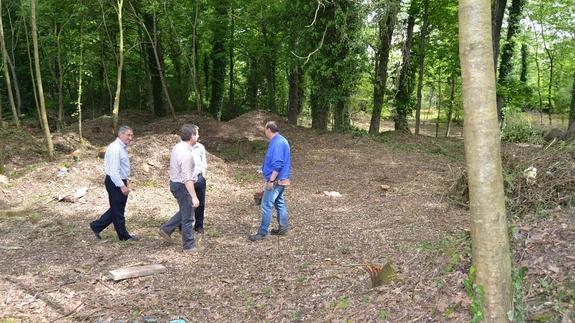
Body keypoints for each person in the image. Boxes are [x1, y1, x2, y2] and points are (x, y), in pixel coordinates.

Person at [90, 126, 138, 241]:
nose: (131, 138)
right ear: (121, 134)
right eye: (128, 135)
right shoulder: (115, 149)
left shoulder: (121, 147)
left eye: (132, 135)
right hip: (115, 181)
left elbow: (122, 169)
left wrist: (126, 182)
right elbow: (113, 171)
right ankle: (124, 237)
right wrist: (122, 185)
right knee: (118, 211)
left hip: (120, 180)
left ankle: (96, 226)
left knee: (117, 208)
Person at [158, 124, 200, 252]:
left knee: (184, 210)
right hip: (182, 185)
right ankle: (189, 245)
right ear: (192, 136)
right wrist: (194, 197)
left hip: (176, 183)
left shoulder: (178, 146)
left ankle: (166, 229)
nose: (199, 136)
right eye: (197, 133)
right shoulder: (186, 153)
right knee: (188, 215)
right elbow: (187, 179)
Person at [249, 121, 291, 241]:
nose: (264, 131)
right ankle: (283, 228)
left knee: (266, 205)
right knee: (279, 203)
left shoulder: (277, 142)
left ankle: (262, 233)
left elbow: (277, 164)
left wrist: (271, 181)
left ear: (268, 129)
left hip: (276, 180)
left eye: (265, 129)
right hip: (281, 180)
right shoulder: (281, 140)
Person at [192, 141, 207, 233]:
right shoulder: (181, 147)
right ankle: (183, 224)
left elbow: (203, 161)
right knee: (186, 203)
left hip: (199, 177)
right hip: (186, 179)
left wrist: (203, 175)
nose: (198, 136)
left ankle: (199, 225)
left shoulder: (200, 147)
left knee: (201, 203)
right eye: (196, 134)